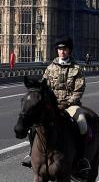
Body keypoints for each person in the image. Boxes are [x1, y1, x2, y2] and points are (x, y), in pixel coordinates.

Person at [22, 37, 87, 169]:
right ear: (57, 51)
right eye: (60, 49)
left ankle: (81, 158)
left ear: (69, 51)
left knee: (82, 124)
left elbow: (79, 90)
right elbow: (43, 87)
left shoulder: (76, 69)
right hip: (52, 106)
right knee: (33, 126)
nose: (62, 52)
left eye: (65, 49)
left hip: (71, 106)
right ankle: (31, 154)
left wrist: (68, 103)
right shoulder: (50, 68)